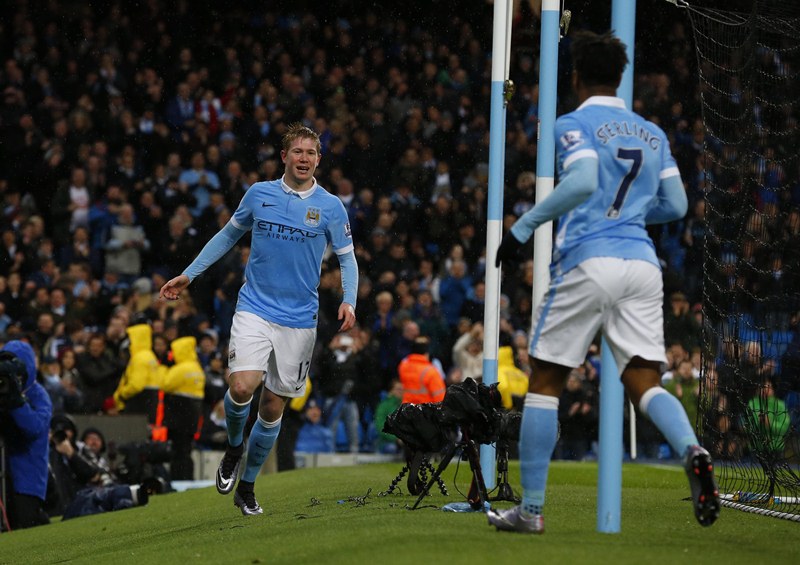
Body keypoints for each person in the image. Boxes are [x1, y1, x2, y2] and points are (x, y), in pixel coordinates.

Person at [489, 31, 719, 534]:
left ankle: (529, 511)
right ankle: (693, 450)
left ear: (574, 78)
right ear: (620, 77)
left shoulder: (573, 123)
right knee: (643, 379)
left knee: (546, 379)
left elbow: (585, 180)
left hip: (588, 260)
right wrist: (631, 215)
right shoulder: (652, 133)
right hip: (641, 264)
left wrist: (523, 227)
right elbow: (677, 206)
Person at [159, 123, 357, 515]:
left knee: (271, 409)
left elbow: (347, 257)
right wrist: (190, 273)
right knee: (242, 387)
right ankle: (234, 447)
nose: (304, 159)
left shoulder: (331, 206)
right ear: (284, 156)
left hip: (300, 320)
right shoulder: (259, 194)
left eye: (311, 153)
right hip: (255, 307)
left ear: (319, 159)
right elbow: (227, 236)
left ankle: (247, 487)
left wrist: (349, 300)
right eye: (297, 152)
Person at [0, 340, 52, 530]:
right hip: (5, 473)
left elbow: (34, 428)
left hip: (27, 479)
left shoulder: (39, 395)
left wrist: (17, 403)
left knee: (25, 530)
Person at [397, 337, 446, 405]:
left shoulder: (403, 366)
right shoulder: (431, 371)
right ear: (426, 354)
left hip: (407, 408)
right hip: (425, 410)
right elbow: (440, 396)